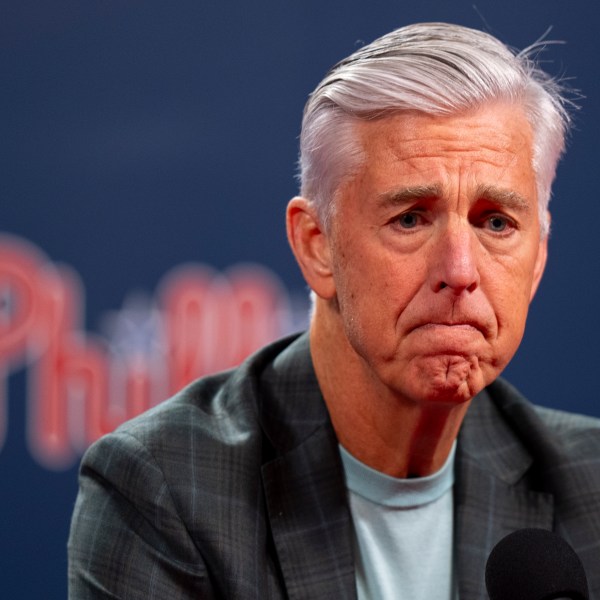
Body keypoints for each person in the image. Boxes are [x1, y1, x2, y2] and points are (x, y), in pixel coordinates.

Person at [68, 22, 600, 599]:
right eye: (411, 219)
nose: (461, 270)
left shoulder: (591, 485)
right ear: (317, 246)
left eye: (496, 222)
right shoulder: (164, 491)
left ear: (539, 259)